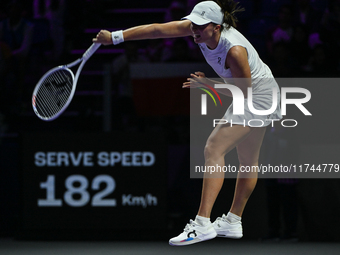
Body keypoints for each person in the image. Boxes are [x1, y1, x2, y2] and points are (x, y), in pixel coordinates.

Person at [93, 0, 282, 246]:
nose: (194, 30)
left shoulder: (234, 50)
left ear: (216, 27)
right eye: (193, 24)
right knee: (247, 160)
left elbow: (245, 93)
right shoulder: (197, 29)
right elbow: (156, 30)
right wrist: (115, 37)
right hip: (257, 90)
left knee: (213, 148)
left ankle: (202, 223)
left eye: (201, 27)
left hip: (259, 95)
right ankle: (234, 220)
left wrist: (209, 85)